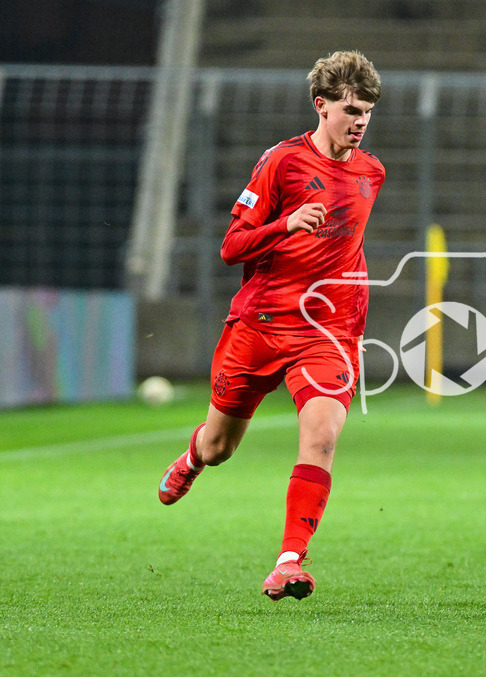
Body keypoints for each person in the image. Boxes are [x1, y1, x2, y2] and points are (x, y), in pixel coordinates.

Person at [157, 51, 384, 601]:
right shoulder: (281, 163)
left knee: (323, 436)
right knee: (219, 446)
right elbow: (231, 247)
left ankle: (289, 562)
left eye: (368, 111)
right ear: (321, 105)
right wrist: (286, 223)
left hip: (326, 332)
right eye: (350, 109)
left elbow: (347, 247)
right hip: (258, 325)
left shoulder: (371, 171)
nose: (359, 121)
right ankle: (192, 457)